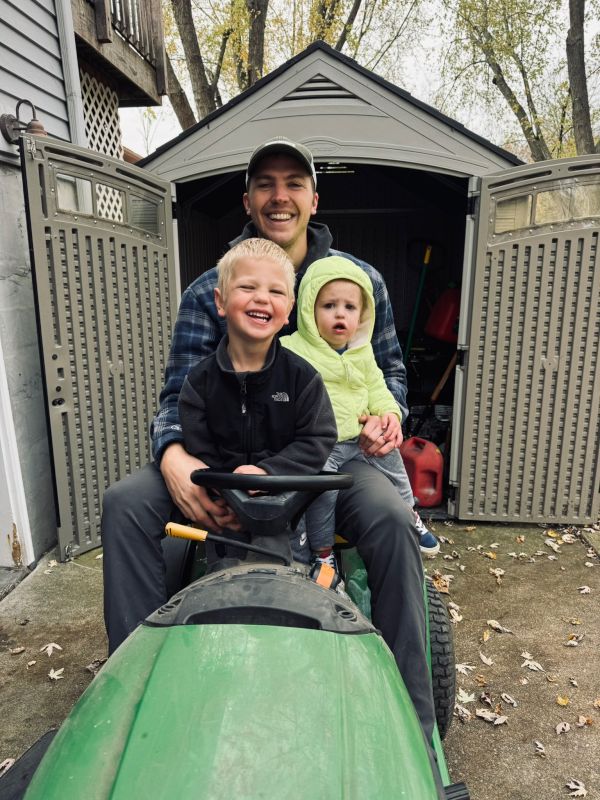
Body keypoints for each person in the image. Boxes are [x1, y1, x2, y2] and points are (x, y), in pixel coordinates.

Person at [101, 137, 443, 790]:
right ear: (248, 199)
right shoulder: (211, 286)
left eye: (294, 183)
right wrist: (173, 455)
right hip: (221, 458)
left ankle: (414, 728)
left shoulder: (356, 281)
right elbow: (180, 391)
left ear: (315, 198)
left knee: (393, 520)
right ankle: (133, 704)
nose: (279, 196)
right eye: (264, 183)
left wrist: (386, 416)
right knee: (127, 504)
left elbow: (388, 369)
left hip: (329, 456)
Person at [281, 255, 440, 571]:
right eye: (328, 306)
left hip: (362, 438)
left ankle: (409, 511)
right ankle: (323, 553)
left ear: (363, 315)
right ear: (309, 310)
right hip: (322, 447)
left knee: (394, 459)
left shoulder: (362, 351)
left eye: (350, 308)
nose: (340, 314)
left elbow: (378, 387)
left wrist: (389, 416)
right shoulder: (292, 349)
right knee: (321, 495)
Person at [178, 237, 336, 504]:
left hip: (282, 496)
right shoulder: (198, 383)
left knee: (270, 541)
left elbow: (318, 438)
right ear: (221, 301)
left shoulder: (303, 378)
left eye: (276, 292)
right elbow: (198, 444)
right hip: (220, 494)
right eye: (247, 287)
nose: (262, 298)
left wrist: (267, 473)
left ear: (289, 310)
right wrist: (227, 486)